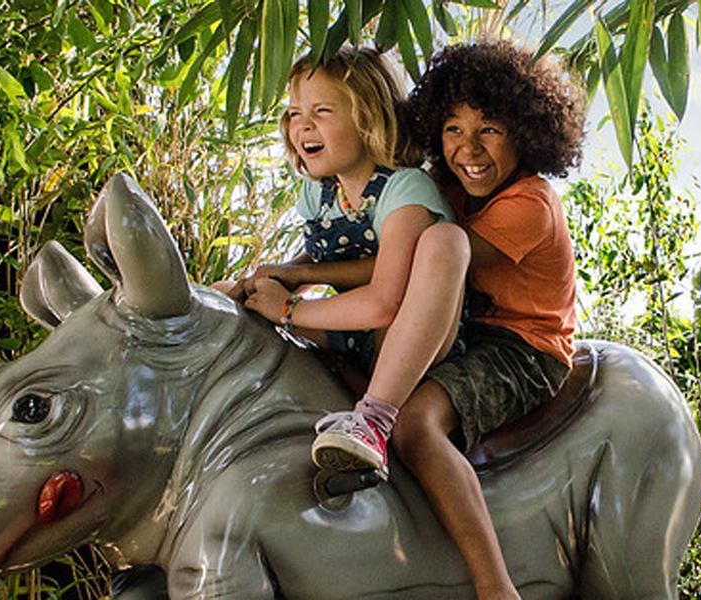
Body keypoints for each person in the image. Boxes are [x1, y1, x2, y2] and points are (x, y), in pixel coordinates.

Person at [391, 40, 586, 600]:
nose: (468, 148)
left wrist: (298, 276)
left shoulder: (531, 203)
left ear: (527, 131)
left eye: (490, 130)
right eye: (453, 129)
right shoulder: (450, 192)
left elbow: (422, 262)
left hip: (523, 348)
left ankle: (496, 588)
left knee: (415, 425)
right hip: (470, 330)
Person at [220, 46, 470, 481]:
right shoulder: (320, 194)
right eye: (295, 113)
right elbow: (325, 265)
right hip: (353, 335)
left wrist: (288, 309)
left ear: (369, 117)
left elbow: (383, 302)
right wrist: (261, 285)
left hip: (410, 339)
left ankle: (374, 420)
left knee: (446, 241)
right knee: (227, 303)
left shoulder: (405, 189)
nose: (303, 126)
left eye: (322, 111)